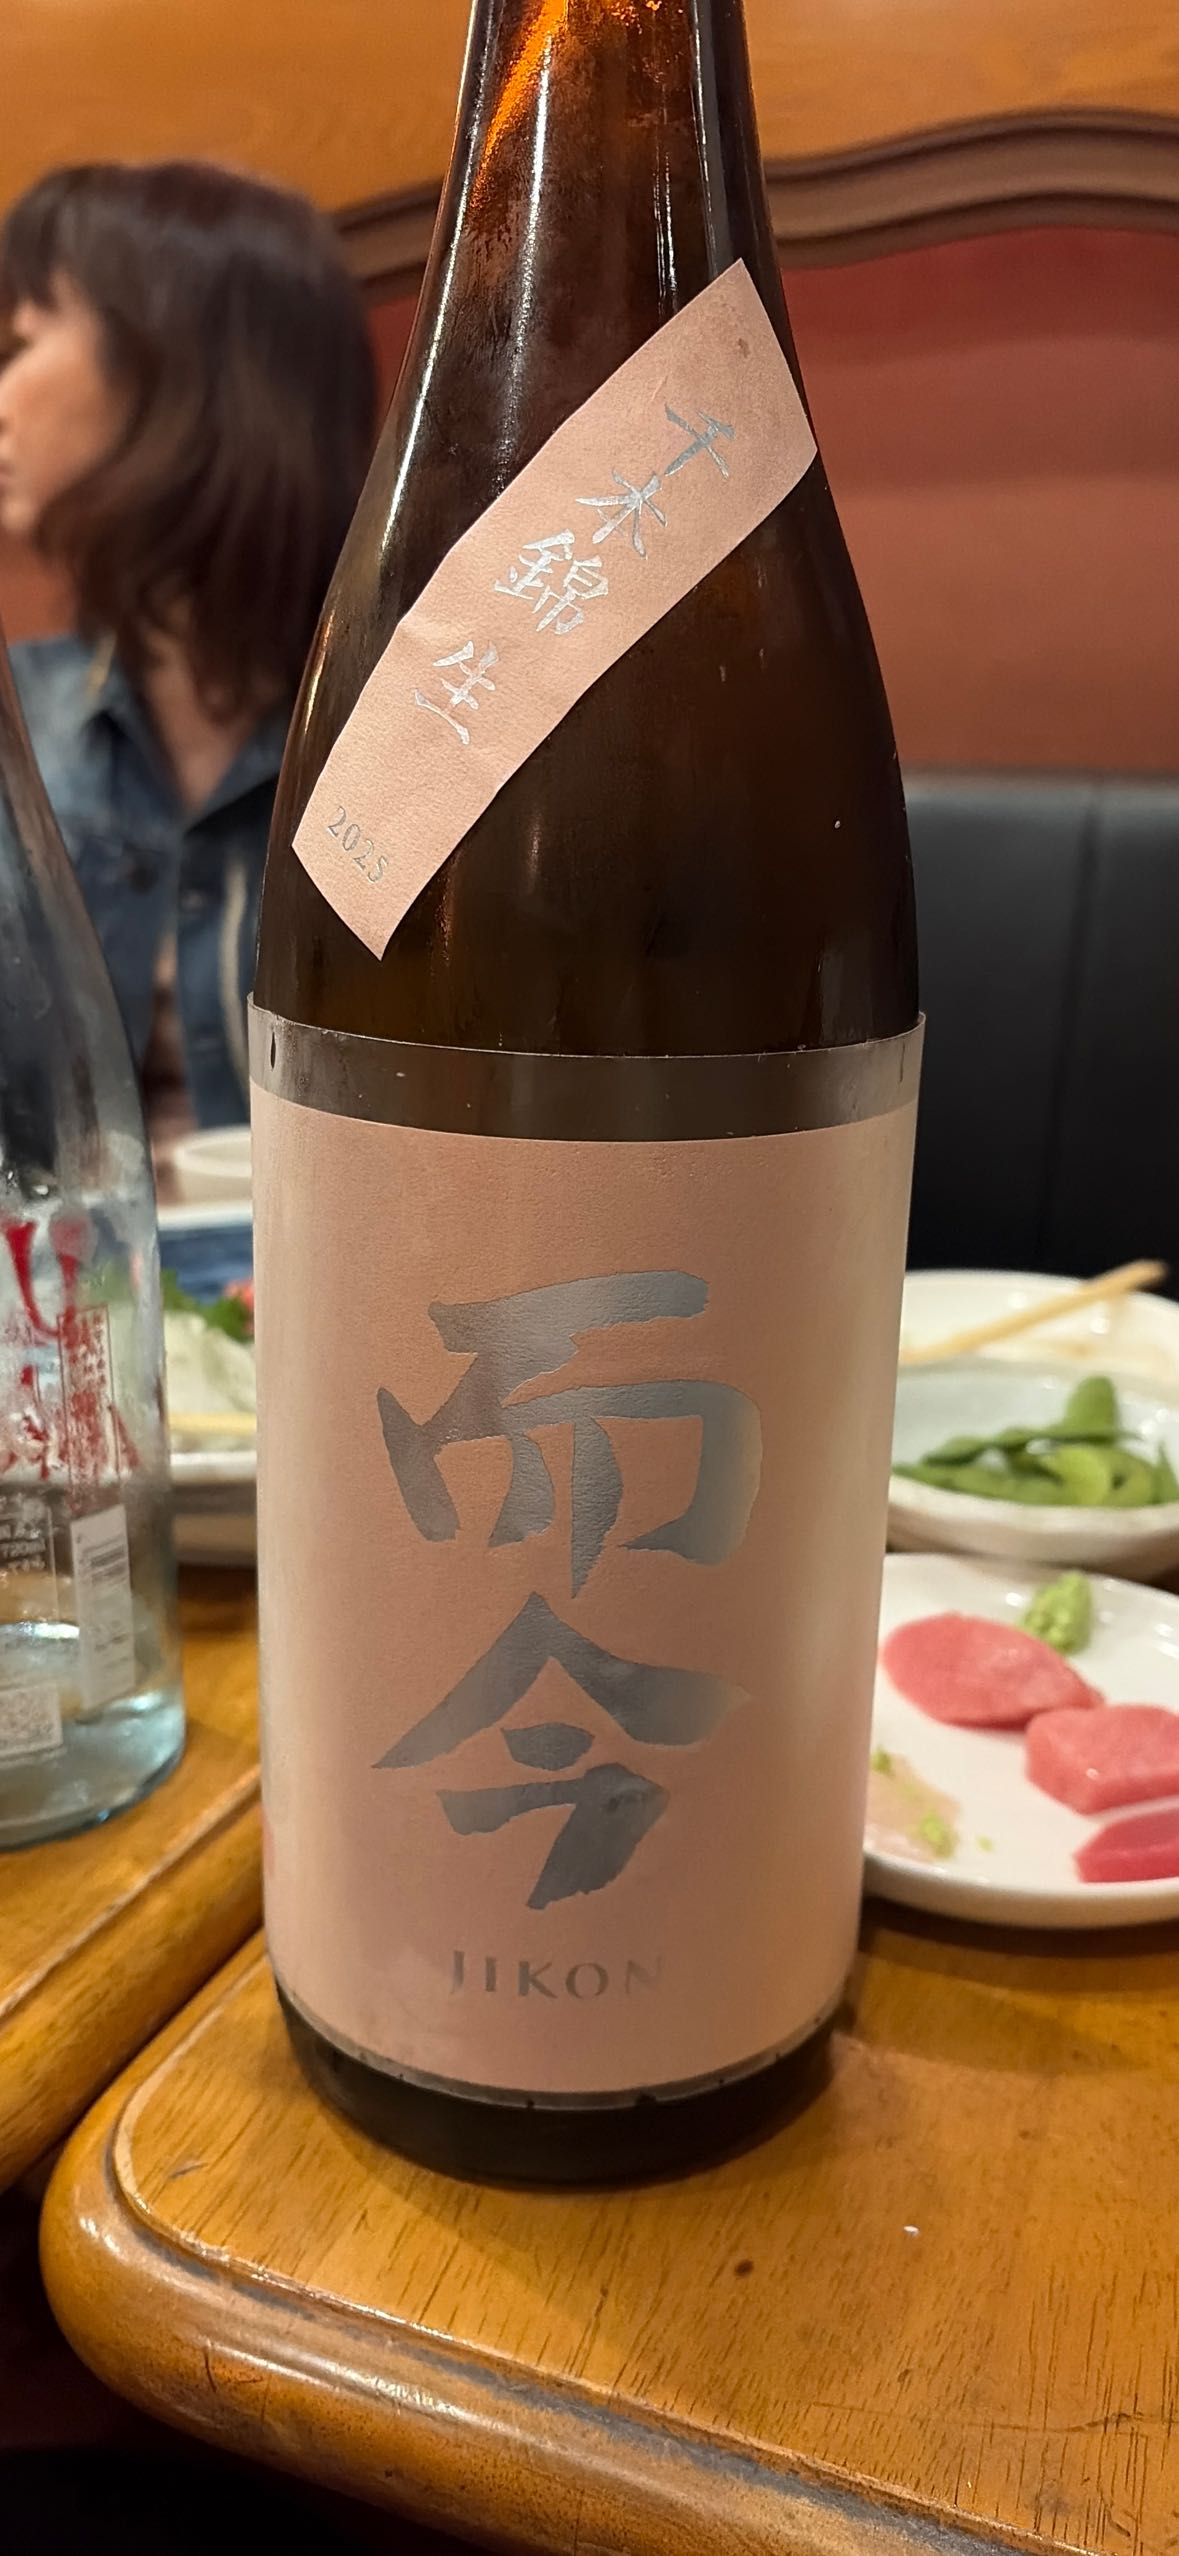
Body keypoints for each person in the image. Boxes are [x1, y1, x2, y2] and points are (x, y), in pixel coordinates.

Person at [0, 160, 376, 1156]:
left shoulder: (416, 738)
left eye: (22, 345)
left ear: (171, 370)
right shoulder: (17, 725)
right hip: (81, 1256)